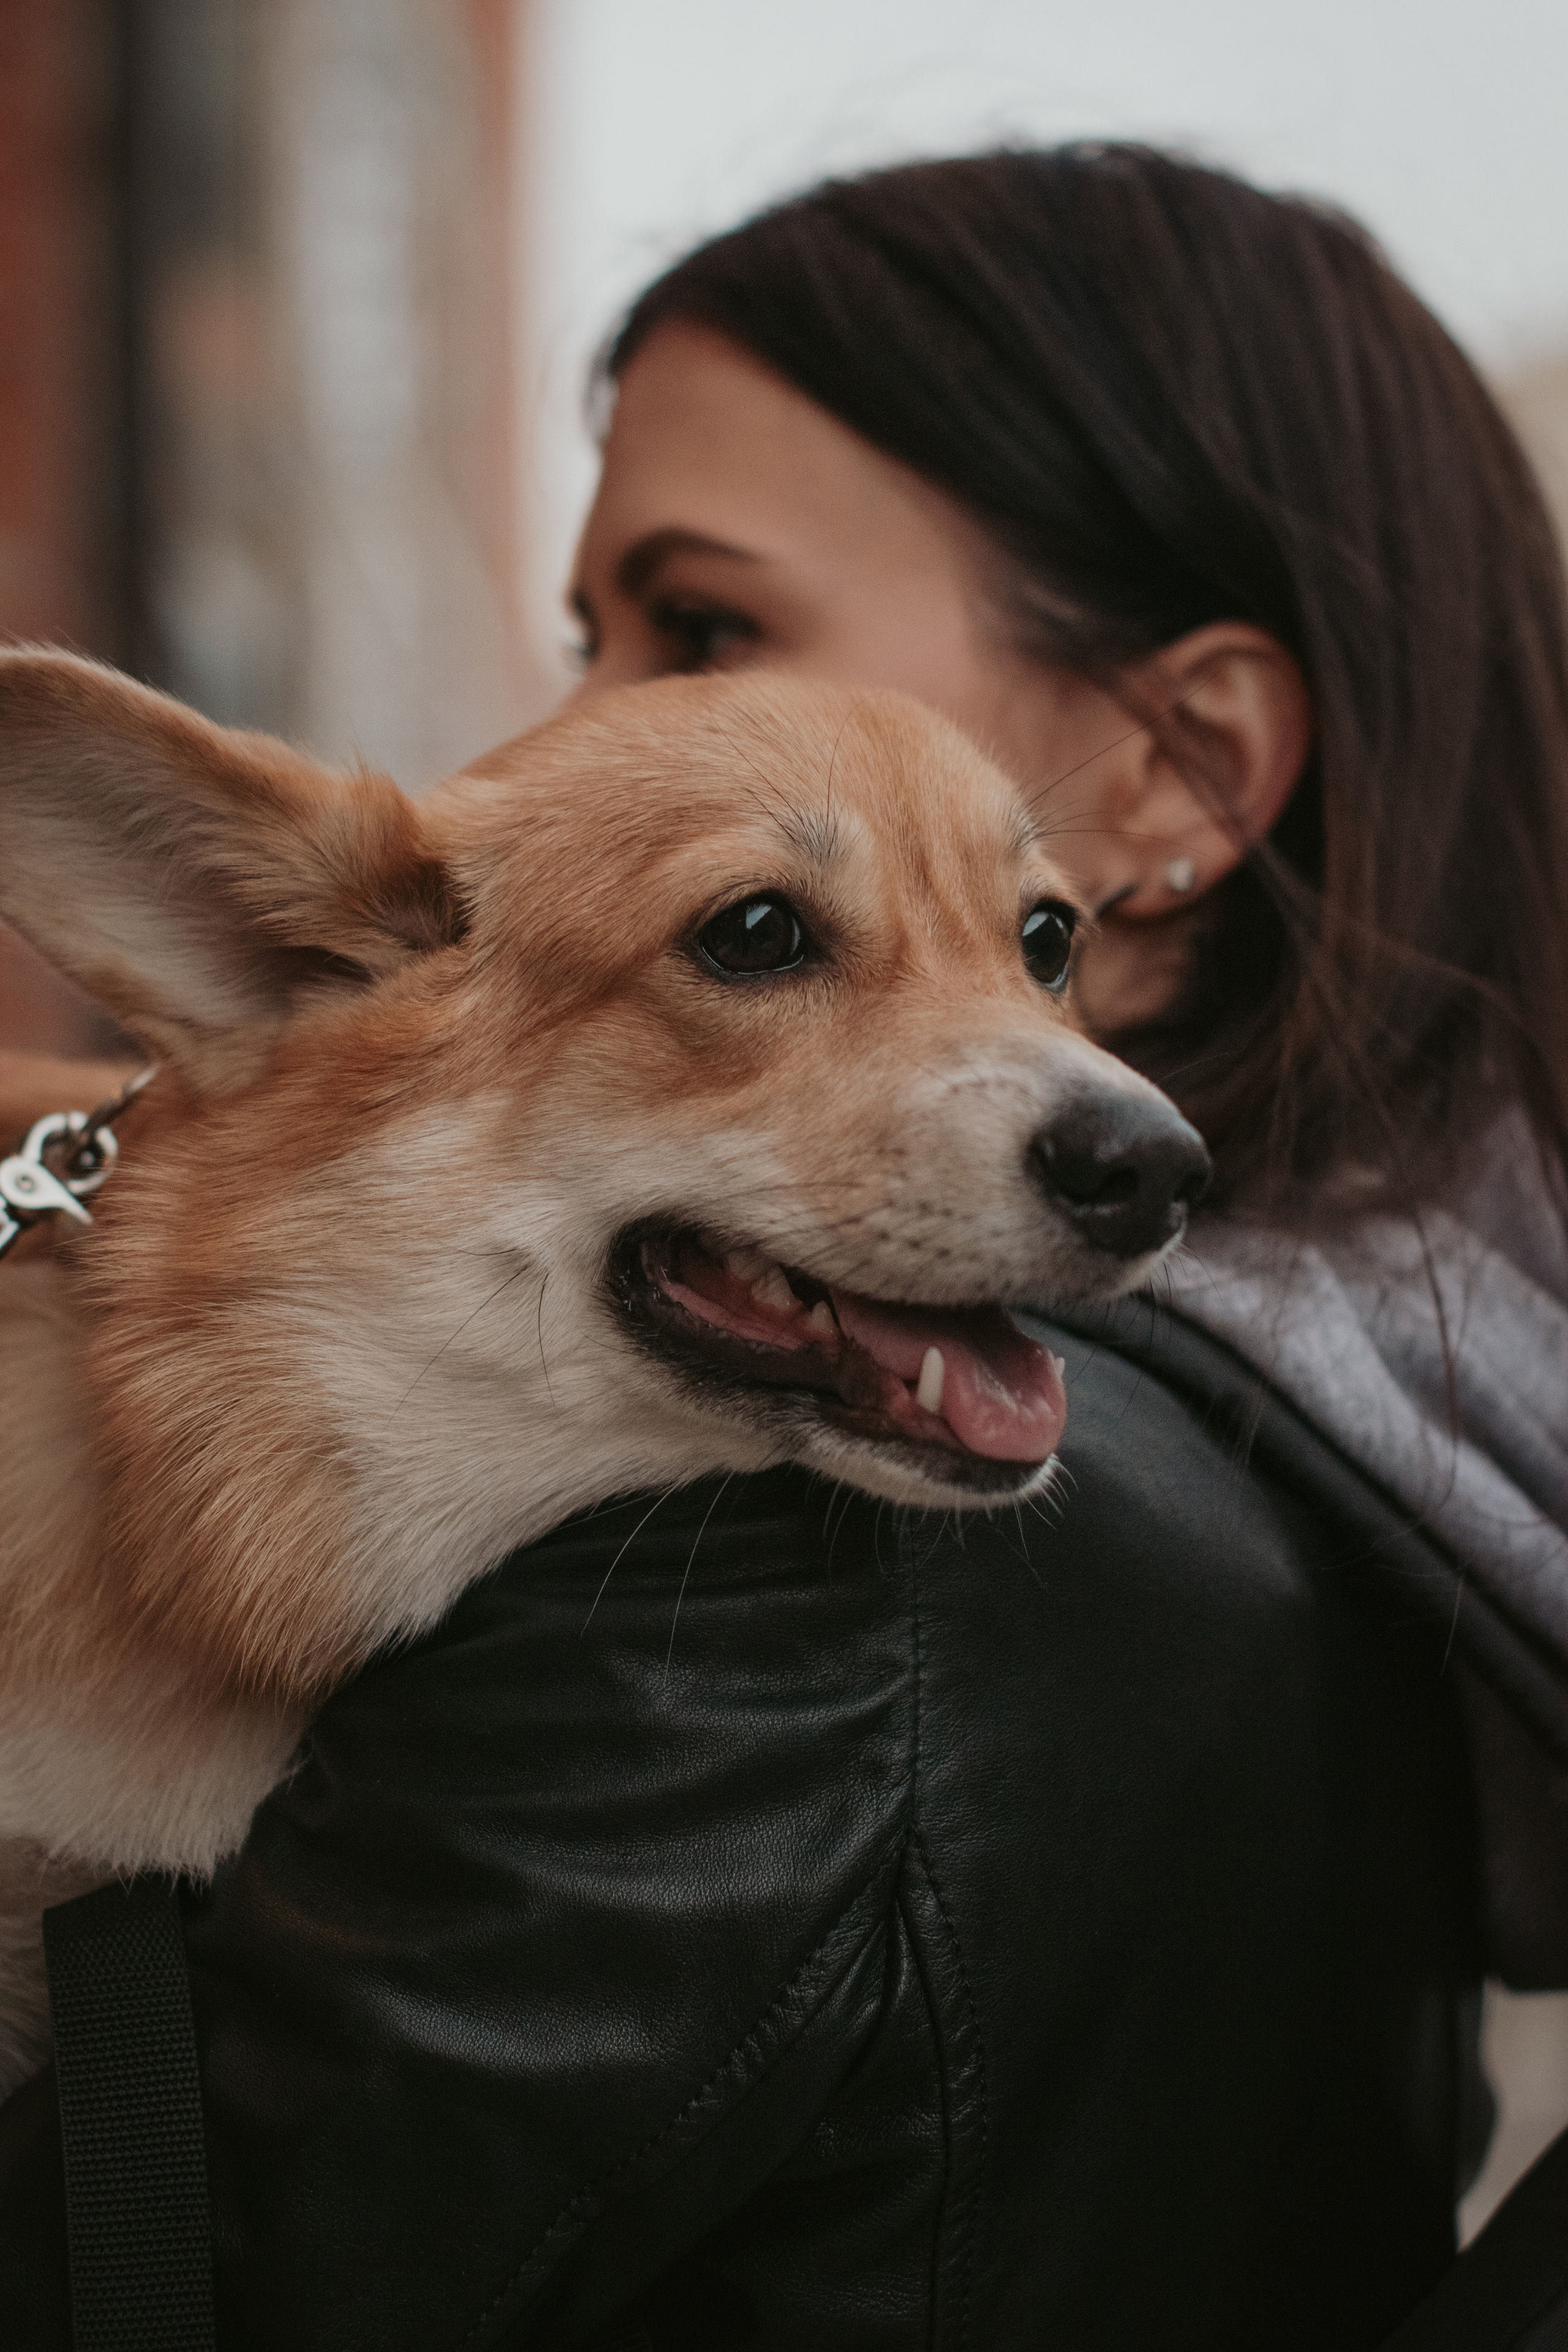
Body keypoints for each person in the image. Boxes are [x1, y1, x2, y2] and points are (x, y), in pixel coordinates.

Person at [4, 143, 1568, 2351]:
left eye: (705, 628)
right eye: (593, 639)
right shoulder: (1419, 1458)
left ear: (1185, 770)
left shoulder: (757, 1589)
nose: (560, 740)